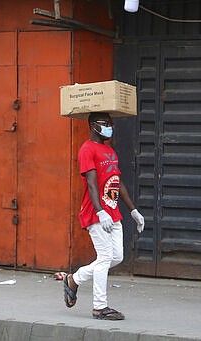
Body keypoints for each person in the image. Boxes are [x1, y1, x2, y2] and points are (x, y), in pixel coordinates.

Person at [63, 112, 145, 321]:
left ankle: (74, 279)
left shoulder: (110, 151)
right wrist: (100, 211)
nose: (109, 127)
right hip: (96, 213)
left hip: (113, 212)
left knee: (116, 257)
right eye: (104, 124)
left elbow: (118, 183)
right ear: (92, 126)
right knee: (105, 257)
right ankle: (99, 307)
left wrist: (133, 210)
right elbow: (91, 183)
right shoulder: (87, 149)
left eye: (110, 123)